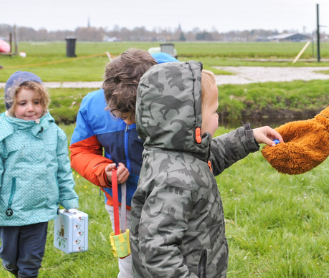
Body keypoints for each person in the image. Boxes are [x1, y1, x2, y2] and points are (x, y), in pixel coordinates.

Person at [128, 61, 282, 277]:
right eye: (214, 111)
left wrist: (249, 137)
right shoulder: (174, 179)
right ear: (191, 122)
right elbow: (157, 251)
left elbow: (211, 156)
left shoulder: (172, 152)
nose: (218, 117)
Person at [70, 49, 177, 278]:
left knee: (170, 265)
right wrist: (103, 171)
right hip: (122, 204)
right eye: (121, 114)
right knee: (130, 269)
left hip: (171, 202)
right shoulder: (92, 106)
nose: (128, 121)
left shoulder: (172, 96)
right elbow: (81, 150)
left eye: (134, 115)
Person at [0, 71, 79, 278]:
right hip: (10, 209)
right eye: (22, 103)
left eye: (36, 102)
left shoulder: (54, 133)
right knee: (9, 257)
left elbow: (63, 169)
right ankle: (12, 268)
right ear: (11, 103)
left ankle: (27, 273)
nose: (31, 109)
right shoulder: (3, 132)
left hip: (41, 208)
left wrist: (69, 200)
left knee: (31, 259)